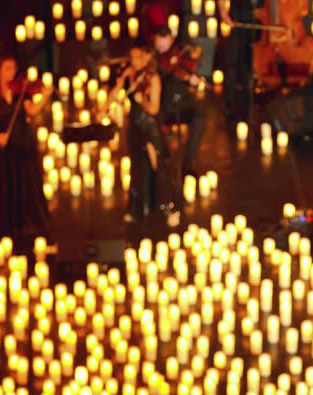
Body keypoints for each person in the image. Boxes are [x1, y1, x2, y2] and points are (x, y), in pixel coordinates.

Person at [0, 53, 52, 242]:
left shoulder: (22, 90)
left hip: (23, 140)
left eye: (14, 68)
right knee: (5, 184)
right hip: (3, 143)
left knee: (25, 182)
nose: (13, 73)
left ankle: (27, 224)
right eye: (8, 69)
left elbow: (31, 110)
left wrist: (44, 97)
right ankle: (6, 225)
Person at [109, 40, 181, 227]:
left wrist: (143, 101)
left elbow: (155, 109)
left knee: (159, 167)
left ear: (147, 56)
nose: (134, 61)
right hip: (134, 127)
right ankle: (135, 210)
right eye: (132, 57)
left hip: (149, 127)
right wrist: (119, 84)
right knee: (136, 169)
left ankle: (168, 208)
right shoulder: (130, 75)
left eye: (138, 57)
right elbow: (114, 97)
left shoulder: (153, 78)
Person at [152, 25, 207, 180]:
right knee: (153, 121)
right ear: (155, 42)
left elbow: (188, 70)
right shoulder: (152, 59)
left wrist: (191, 79)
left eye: (166, 45)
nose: (163, 50)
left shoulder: (181, 54)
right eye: (160, 46)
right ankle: (163, 160)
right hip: (163, 106)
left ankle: (189, 163)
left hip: (182, 104)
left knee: (199, 119)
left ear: (172, 41)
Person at [218, 0, 255, 121]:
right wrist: (223, 13)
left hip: (256, 20)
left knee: (248, 67)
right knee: (231, 65)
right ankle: (231, 107)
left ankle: (249, 108)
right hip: (236, 20)